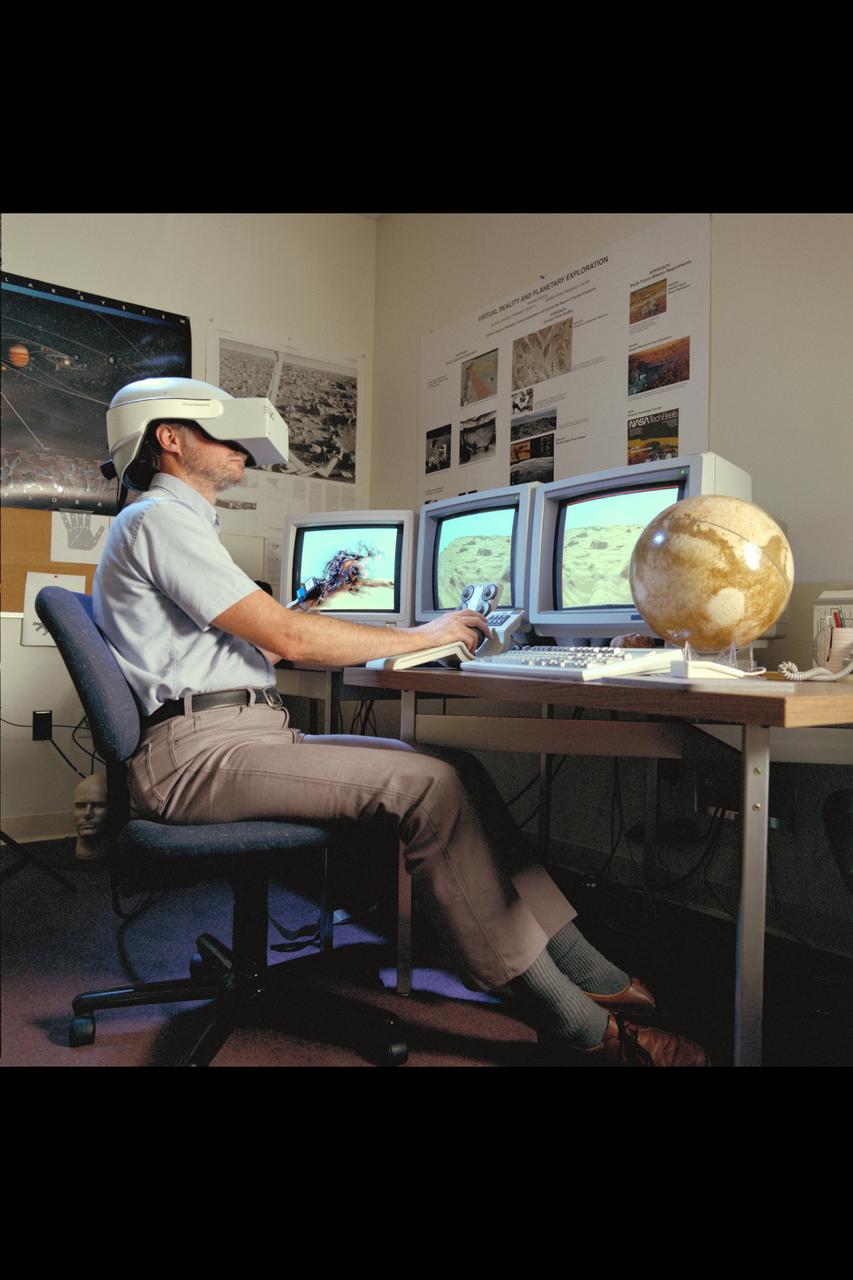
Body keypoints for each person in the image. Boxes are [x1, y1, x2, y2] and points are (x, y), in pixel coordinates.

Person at [94, 378, 707, 1067]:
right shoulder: (157, 520)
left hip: (237, 736)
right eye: (220, 432)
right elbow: (288, 643)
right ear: (169, 439)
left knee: (459, 769)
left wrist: (322, 600)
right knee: (428, 788)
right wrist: (425, 634)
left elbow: (259, 642)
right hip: (196, 757)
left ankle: (589, 971)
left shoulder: (175, 526)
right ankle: (574, 1024)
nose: (240, 447)